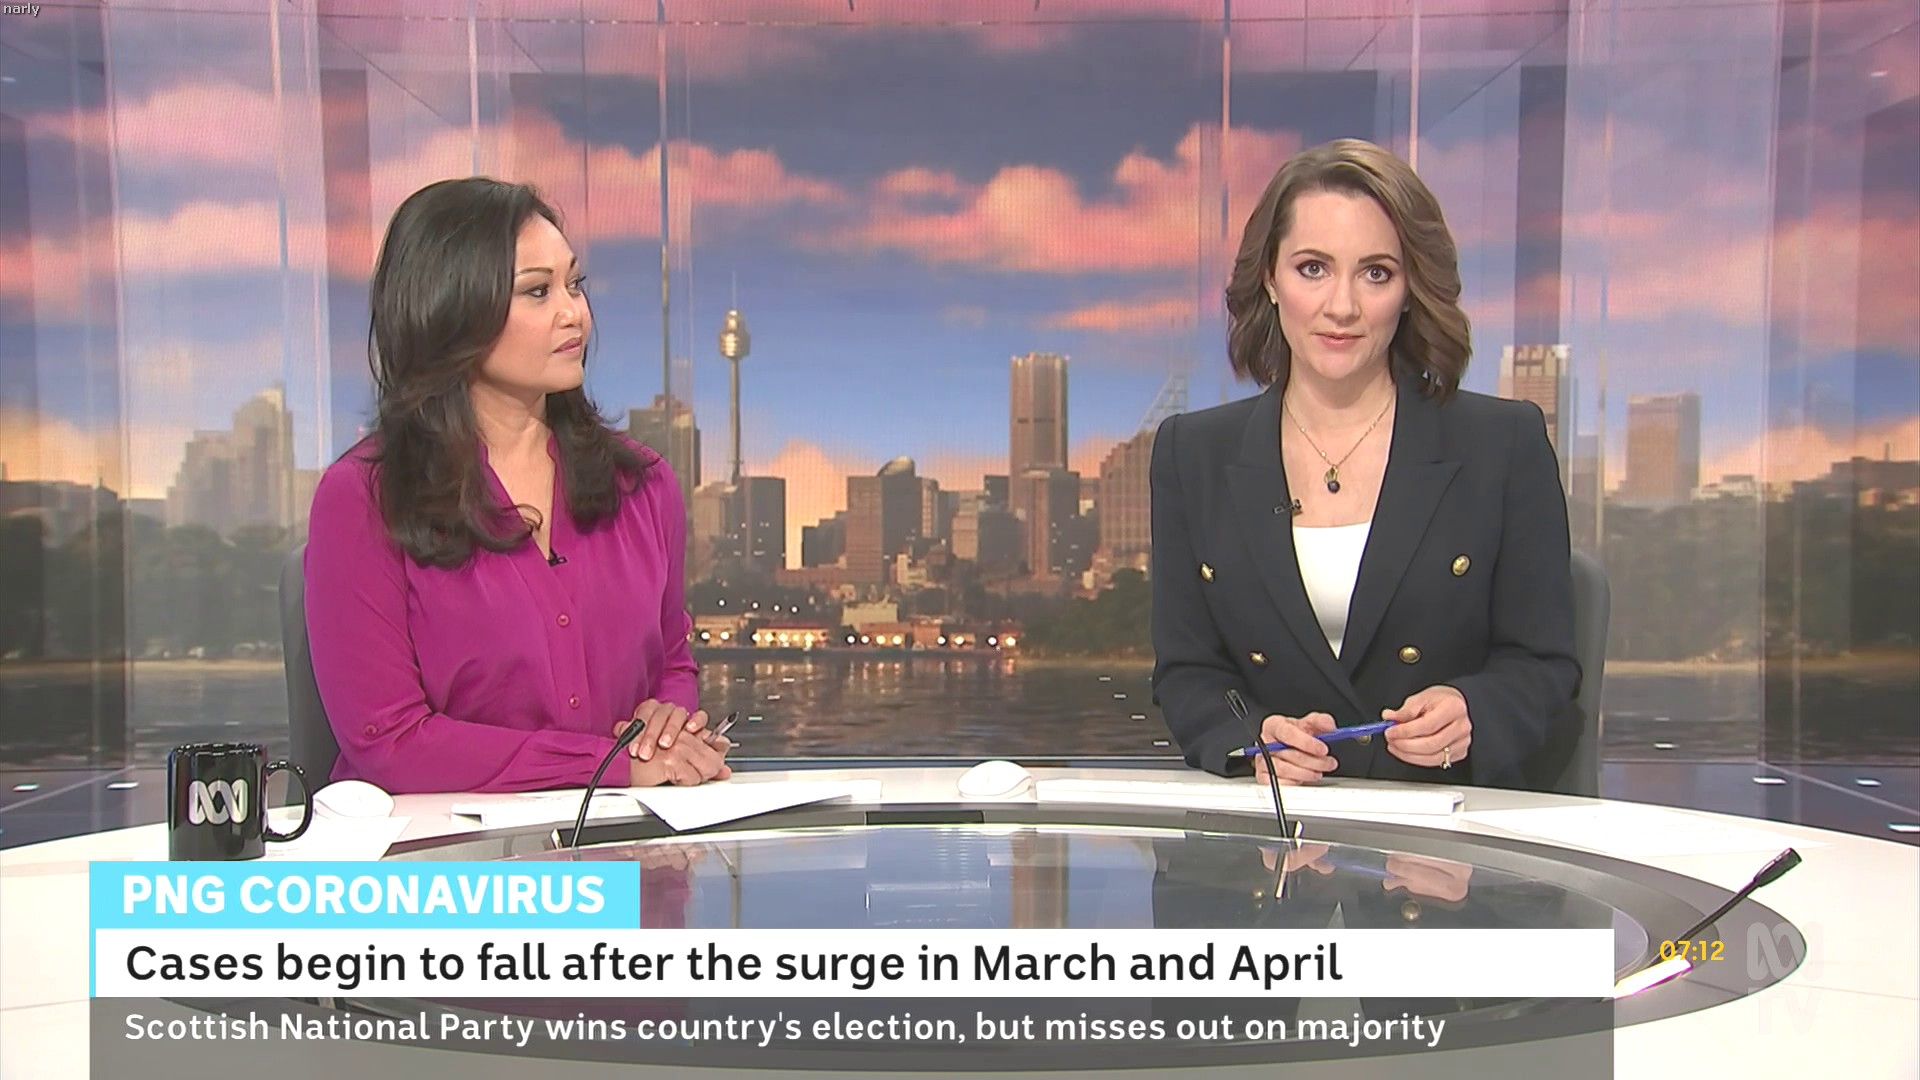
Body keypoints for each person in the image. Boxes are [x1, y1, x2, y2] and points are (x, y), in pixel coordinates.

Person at [1150, 138, 1580, 791]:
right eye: (1312, 268)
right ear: (1270, 279)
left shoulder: (1502, 444)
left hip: (1446, 820)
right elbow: (1188, 673)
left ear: (1410, 289)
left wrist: (1471, 710)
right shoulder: (1192, 454)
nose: (1343, 306)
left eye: (1376, 273)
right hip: (1276, 825)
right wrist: (1253, 737)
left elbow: (1544, 665)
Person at [305, 177, 731, 793]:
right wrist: (608, 768)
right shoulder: (363, 499)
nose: (574, 313)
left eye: (574, 285)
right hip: (443, 850)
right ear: (451, 313)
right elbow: (390, 741)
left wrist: (667, 726)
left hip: (624, 840)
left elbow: (672, 662)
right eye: (537, 291)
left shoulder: (643, 486)